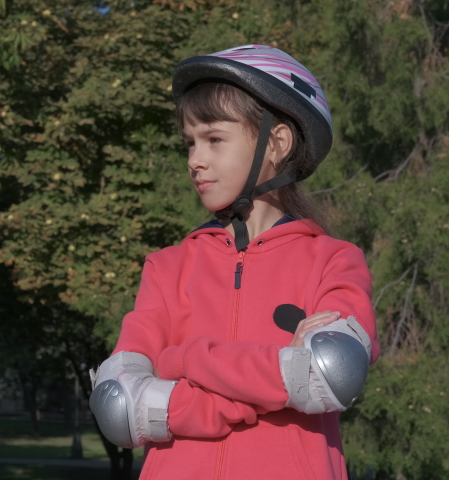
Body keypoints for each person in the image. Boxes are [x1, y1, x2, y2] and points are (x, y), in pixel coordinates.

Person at [89, 45, 381, 480]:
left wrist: (182, 360)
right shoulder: (167, 268)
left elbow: (330, 373)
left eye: (214, 139)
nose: (194, 160)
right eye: (189, 143)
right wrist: (278, 377)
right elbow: (120, 406)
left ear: (276, 143)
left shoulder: (333, 261)